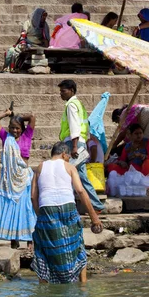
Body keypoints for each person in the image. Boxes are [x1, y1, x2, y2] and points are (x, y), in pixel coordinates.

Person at [31, 142, 103, 284]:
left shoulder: (40, 167)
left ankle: (43, 287)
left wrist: (41, 217)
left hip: (47, 208)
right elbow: (81, 191)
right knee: (77, 244)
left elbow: (33, 196)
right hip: (68, 207)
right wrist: (94, 218)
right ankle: (82, 284)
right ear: (64, 154)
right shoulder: (69, 167)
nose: (69, 159)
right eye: (69, 157)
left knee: (43, 248)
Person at [0, 108, 37, 249]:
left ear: (22, 128)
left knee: (27, 208)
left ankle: (30, 240)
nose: (14, 131)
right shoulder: (6, 137)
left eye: (17, 128)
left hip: (24, 178)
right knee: (11, 208)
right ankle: (14, 240)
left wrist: (20, 117)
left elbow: (33, 117)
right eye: (12, 128)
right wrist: (7, 114)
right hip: (9, 180)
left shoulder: (27, 135)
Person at [58, 79, 105, 212]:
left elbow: (74, 126)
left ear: (71, 90)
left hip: (74, 143)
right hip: (80, 142)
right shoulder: (79, 104)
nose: (61, 94)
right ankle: (94, 205)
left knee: (71, 175)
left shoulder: (72, 105)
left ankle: (93, 205)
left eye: (63, 91)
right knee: (79, 175)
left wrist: (74, 146)